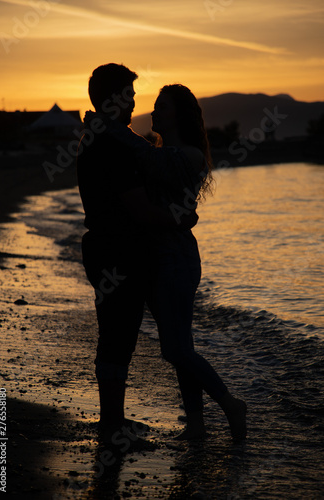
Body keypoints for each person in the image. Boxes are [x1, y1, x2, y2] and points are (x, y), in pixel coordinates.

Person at [87, 83, 247, 442]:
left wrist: (104, 124)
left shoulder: (188, 155)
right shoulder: (158, 148)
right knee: (181, 349)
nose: (153, 111)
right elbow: (139, 158)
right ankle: (196, 425)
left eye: (161, 106)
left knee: (174, 349)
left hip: (176, 260)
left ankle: (230, 404)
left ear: (179, 114)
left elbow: (145, 157)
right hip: (157, 259)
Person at [76, 64, 197, 443]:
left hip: (114, 249)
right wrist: (181, 219)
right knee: (118, 334)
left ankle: (119, 421)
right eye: (128, 94)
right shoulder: (110, 145)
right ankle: (113, 424)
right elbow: (141, 210)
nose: (133, 102)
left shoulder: (107, 137)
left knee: (120, 333)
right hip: (117, 252)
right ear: (112, 99)